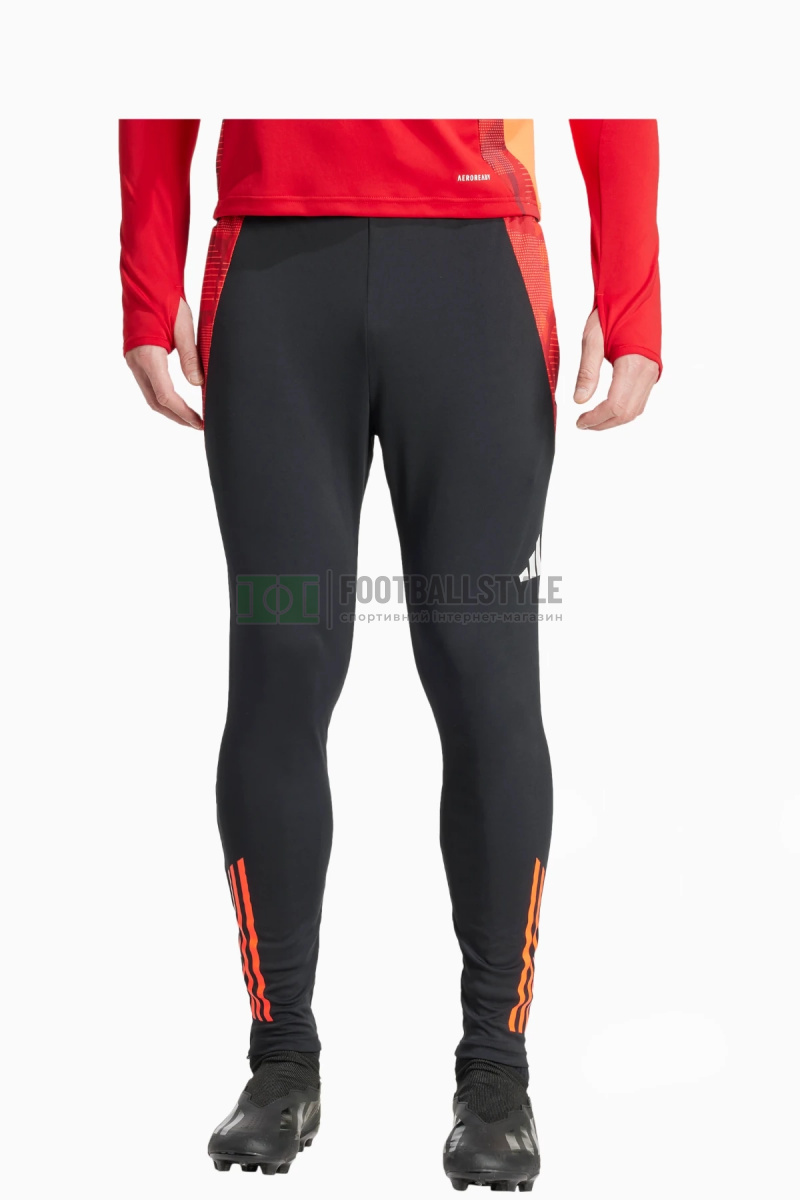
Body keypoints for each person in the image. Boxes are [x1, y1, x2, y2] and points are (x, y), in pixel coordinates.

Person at [120, 118, 661, 1189]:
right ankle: (281, 1060)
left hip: (475, 263)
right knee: (281, 655)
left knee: (481, 667)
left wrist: (632, 293)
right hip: (274, 265)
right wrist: (148, 278)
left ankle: (495, 1074)